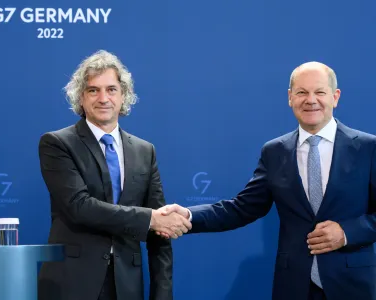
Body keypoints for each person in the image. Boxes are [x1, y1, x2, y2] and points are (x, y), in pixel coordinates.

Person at [159, 62, 376, 300]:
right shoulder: (275, 152)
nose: (310, 100)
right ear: (290, 97)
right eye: (302, 92)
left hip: (353, 287)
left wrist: (346, 232)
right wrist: (188, 216)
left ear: (335, 97)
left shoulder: (367, 148)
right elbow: (242, 208)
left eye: (320, 92)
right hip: (294, 287)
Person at [37, 50, 191, 300]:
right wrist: (149, 219)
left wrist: (163, 294)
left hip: (127, 286)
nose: (103, 98)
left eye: (111, 89)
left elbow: (159, 231)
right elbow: (80, 206)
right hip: (72, 283)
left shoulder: (145, 151)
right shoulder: (57, 143)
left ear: (123, 96)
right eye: (93, 90)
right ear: (81, 97)